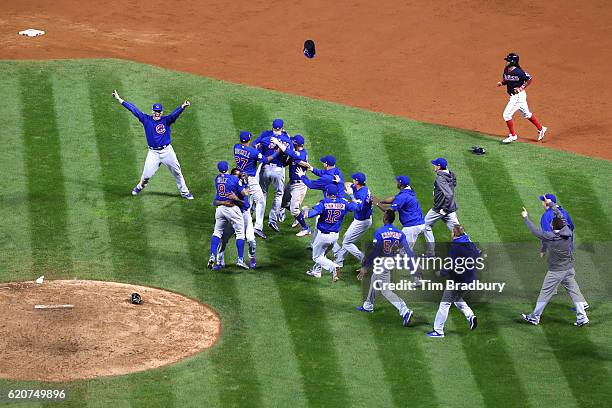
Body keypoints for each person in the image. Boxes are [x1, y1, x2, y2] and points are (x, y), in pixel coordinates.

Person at [111, 90, 193, 199]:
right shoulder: (146, 119)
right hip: (153, 153)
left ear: (161, 112)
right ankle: (140, 186)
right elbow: (133, 109)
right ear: (152, 111)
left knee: (177, 172)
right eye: (155, 111)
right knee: (146, 176)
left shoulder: (166, 120)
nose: (156, 113)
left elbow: (174, 114)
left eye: (158, 111)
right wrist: (119, 99)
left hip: (167, 151)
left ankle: (185, 192)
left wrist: (183, 106)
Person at [520, 198, 589, 326]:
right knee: (574, 291)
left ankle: (534, 318)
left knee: (544, 294)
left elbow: (535, 231)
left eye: (551, 224)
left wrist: (526, 218)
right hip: (568, 268)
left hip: (556, 271)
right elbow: (559, 214)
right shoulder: (567, 230)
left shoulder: (550, 237)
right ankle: (582, 318)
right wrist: (551, 204)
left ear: (553, 226)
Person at [356, 210, 415, 327]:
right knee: (374, 279)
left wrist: (365, 266)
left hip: (383, 262)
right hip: (392, 261)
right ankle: (368, 305)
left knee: (385, 291)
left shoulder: (379, 232)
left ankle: (405, 310)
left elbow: (374, 251)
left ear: (385, 219)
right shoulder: (400, 233)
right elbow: (408, 251)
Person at [426, 225, 479, 338]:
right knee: (456, 298)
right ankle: (470, 316)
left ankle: (438, 331)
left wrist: (441, 273)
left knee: (445, 303)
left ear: (454, 234)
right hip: (471, 279)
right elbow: (477, 253)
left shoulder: (455, 247)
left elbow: (452, 265)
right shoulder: (468, 240)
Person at [300, 184, 357, 281]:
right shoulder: (344, 202)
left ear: (327, 193)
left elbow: (310, 214)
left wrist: (305, 210)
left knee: (317, 257)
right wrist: (351, 195)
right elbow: (356, 207)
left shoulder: (324, 203)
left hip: (323, 236)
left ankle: (333, 267)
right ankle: (316, 271)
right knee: (322, 255)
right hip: (335, 236)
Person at [233, 130, 279, 239]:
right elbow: (265, 159)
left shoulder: (236, 147)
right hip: (250, 180)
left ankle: (238, 229)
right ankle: (258, 227)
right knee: (260, 201)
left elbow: (249, 153)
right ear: (249, 139)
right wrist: (277, 152)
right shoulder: (253, 152)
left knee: (242, 203)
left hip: (239, 179)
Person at [497, 52, 547, 144]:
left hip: (518, 97)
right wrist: (502, 83)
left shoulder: (519, 72)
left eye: (508, 61)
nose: (506, 62)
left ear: (512, 62)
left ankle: (512, 135)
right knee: (526, 114)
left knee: (506, 115)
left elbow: (529, 79)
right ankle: (541, 129)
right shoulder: (506, 70)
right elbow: (507, 79)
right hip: (517, 97)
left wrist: (521, 88)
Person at [208, 161, 249, 270]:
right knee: (240, 233)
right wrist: (244, 184)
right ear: (227, 168)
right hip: (232, 209)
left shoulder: (217, 179)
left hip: (220, 209)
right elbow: (245, 194)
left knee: (217, 232)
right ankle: (240, 260)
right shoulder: (234, 179)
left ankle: (212, 256)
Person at [254, 119, 293, 233]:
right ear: (282, 128)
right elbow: (291, 156)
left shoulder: (265, 139)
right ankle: (272, 220)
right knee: (278, 194)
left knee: (262, 195)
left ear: (273, 127)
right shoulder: (287, 140)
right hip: (278, 170)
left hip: (265, 168)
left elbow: (257, 151)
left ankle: (258, 225)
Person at [213, 168, 257, 270]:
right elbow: (215, 201)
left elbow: (245, 204)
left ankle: (252, 257)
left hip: (244, 215)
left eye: (240, 176)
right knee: (223, 238)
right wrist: (224, 203)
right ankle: (220, 262)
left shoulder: (242, 189)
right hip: (233, 216)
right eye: (238, 176)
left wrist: (236, 198)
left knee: (250, 239)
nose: (240, 178)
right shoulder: (228, 187)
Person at [333, 172, 373, 275]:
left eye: (354, 180)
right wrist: (341, 182)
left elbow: (358, 208)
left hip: (362, 221)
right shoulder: (361, 187)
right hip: (360, 219)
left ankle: (365, 261)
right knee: (347, 237)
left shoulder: (361, 194)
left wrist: (351, 195)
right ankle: (339, 261)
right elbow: (347, 184)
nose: (352, 181)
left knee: (347, 242)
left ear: (357, 182)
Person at [272, 135, 310, 232]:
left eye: (293, 142)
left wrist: (278, 143)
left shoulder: (302, 154)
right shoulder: (294, 154)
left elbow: (291, 153)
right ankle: (300, 214)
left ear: (296, 144)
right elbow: (285, 163)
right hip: (291, 183)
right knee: (283, 203)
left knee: (294, 210)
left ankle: (305, 228)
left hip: (300, 185)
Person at [423, 158, 459, 256]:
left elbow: (449, 195)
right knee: (457, 230)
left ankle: (430, 253)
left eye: (435, 165)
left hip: (440, 209)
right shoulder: (451, 174)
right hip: (451, 208)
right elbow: (454, 183)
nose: (434, 166)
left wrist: (444, 209)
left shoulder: (440, 178)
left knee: (425, 225)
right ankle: (473, 250)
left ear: (439, 166)